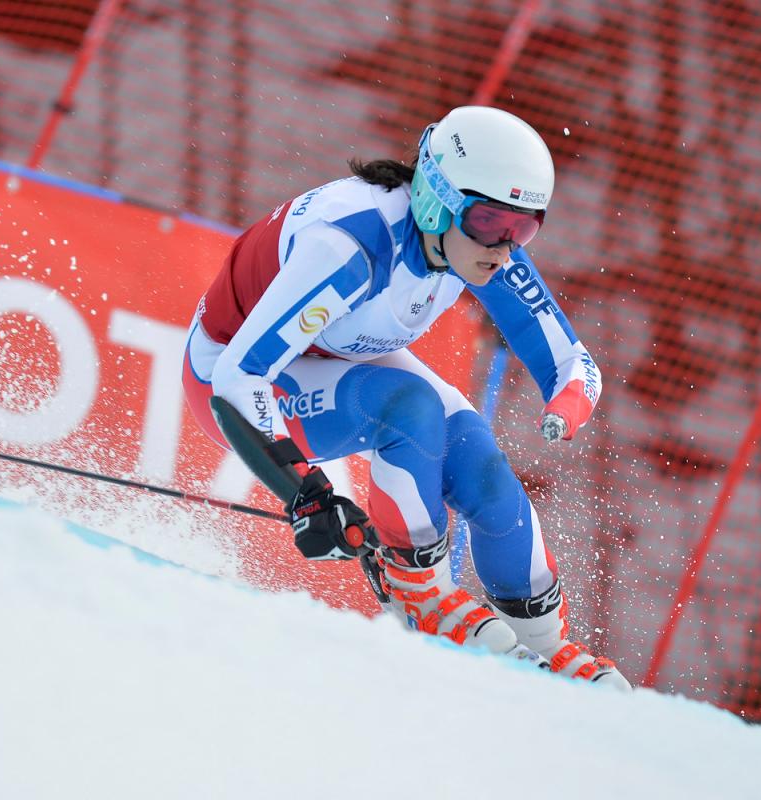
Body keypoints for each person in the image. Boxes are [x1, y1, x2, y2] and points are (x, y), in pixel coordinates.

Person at [182, 105, 630, 690]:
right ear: (436, 200)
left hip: (339, 351)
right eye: (491, 222)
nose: (504, 246)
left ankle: (543, 641)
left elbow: (574, 364)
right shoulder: (351, 248)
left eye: (524, 228)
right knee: (410, 408)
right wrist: (306, 496)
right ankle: (417, 591)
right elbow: (242, 375)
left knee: (478, 459)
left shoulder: (471, 245)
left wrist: (566, 405)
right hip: (236, 376)